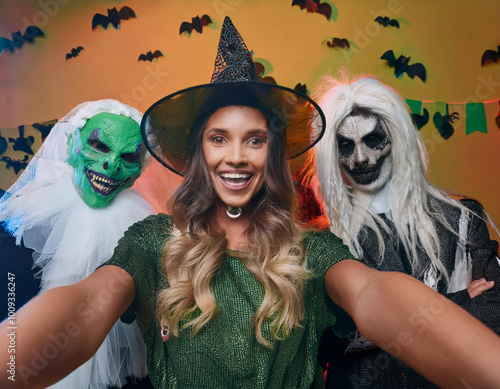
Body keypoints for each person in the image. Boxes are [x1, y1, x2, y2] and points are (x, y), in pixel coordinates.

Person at [2, 17, 500, 389]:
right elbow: (88, 305)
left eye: (254, 140)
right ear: (199, 152)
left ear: (273, 153)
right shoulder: (152, 243)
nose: (235, 157)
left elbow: (377, 297)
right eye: (219, 139)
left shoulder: (313, 251)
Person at [302, 74, 500, 388]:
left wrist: (366, 333)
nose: (361, 158)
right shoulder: (323, 242)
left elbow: (491, 313)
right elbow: (321, 347)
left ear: (397, 138)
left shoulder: (461, 218)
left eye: (373, 139)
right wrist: (458, 301)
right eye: (346, 146)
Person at [0, 100, 154, 388]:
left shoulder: (144, 231)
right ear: (72, 145)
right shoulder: (26, 216)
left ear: (137, 173)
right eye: (99, 147)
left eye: (128, 157)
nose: (111, 165)